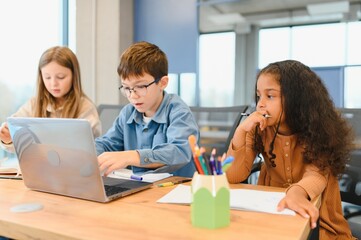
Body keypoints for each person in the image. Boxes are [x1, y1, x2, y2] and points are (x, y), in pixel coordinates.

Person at [226, 60, 356, 239]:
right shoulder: (259, 129)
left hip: (320, 224)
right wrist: (241, 131)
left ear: (296, 99)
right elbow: (233, 176)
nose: (260, 104)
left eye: (270, 96)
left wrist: (297, 193)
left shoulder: (317, 129)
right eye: (258, 96)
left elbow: (316, 175)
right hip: (272, 217)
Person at [95, 41, 199, 177]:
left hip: (173, 189)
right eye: (126, 88)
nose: (132, 95)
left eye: (141, 87)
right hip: (136, 186)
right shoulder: (128, 113)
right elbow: (108, 144)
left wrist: (132, 156)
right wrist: (89, 153)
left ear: (162, 83)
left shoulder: (178, 111)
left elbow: (179, 151)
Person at [0, 46, 101, 152]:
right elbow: (14, 134)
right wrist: (7, 139)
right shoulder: (34, 104)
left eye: (61, 77)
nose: (53, 84)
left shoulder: (85, 108)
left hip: (73, 166)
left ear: (74, 76)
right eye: (47, 77)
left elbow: (91, 149)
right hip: (38, 165)